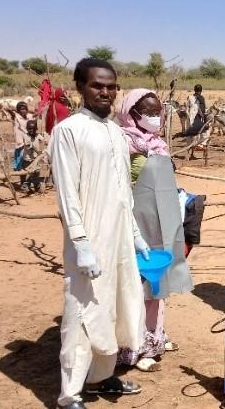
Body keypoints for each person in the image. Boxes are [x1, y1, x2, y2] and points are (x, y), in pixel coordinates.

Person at [49, 58, 151, 409]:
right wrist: (80, 244)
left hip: (119, 236)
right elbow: (67, 194)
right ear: (80, 87)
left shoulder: (115, 132)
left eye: (110, 86)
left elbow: (123, 192)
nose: (105, 92)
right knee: (81, 312)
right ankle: (69, 392)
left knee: (116, 304)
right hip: (90, 237)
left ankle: (100, 377)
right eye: (97, 85)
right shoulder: (68, 130)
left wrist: (134, 233)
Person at [115, 88, 193, 372]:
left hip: (162, 222)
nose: (154, 117)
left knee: (159, 283)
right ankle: (135, 345)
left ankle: (155, 335)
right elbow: (118, 190)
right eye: (148, 112)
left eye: (157, 112)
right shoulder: (123, 144)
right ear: (131, 114)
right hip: (136, 225)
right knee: (137, 285)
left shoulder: (158, 144)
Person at [7, 102, 34, 171]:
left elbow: (36, 113)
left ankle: (24, 170)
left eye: (25, 109)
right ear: (18, 110)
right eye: (21, 109)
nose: (23, 111)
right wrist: (15, 110)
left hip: (28, 140)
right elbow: (8, 109)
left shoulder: (29, 116)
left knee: (27, 157)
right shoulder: (16, 117)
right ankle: (18, 169)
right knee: (19, 155)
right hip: (20, 140)